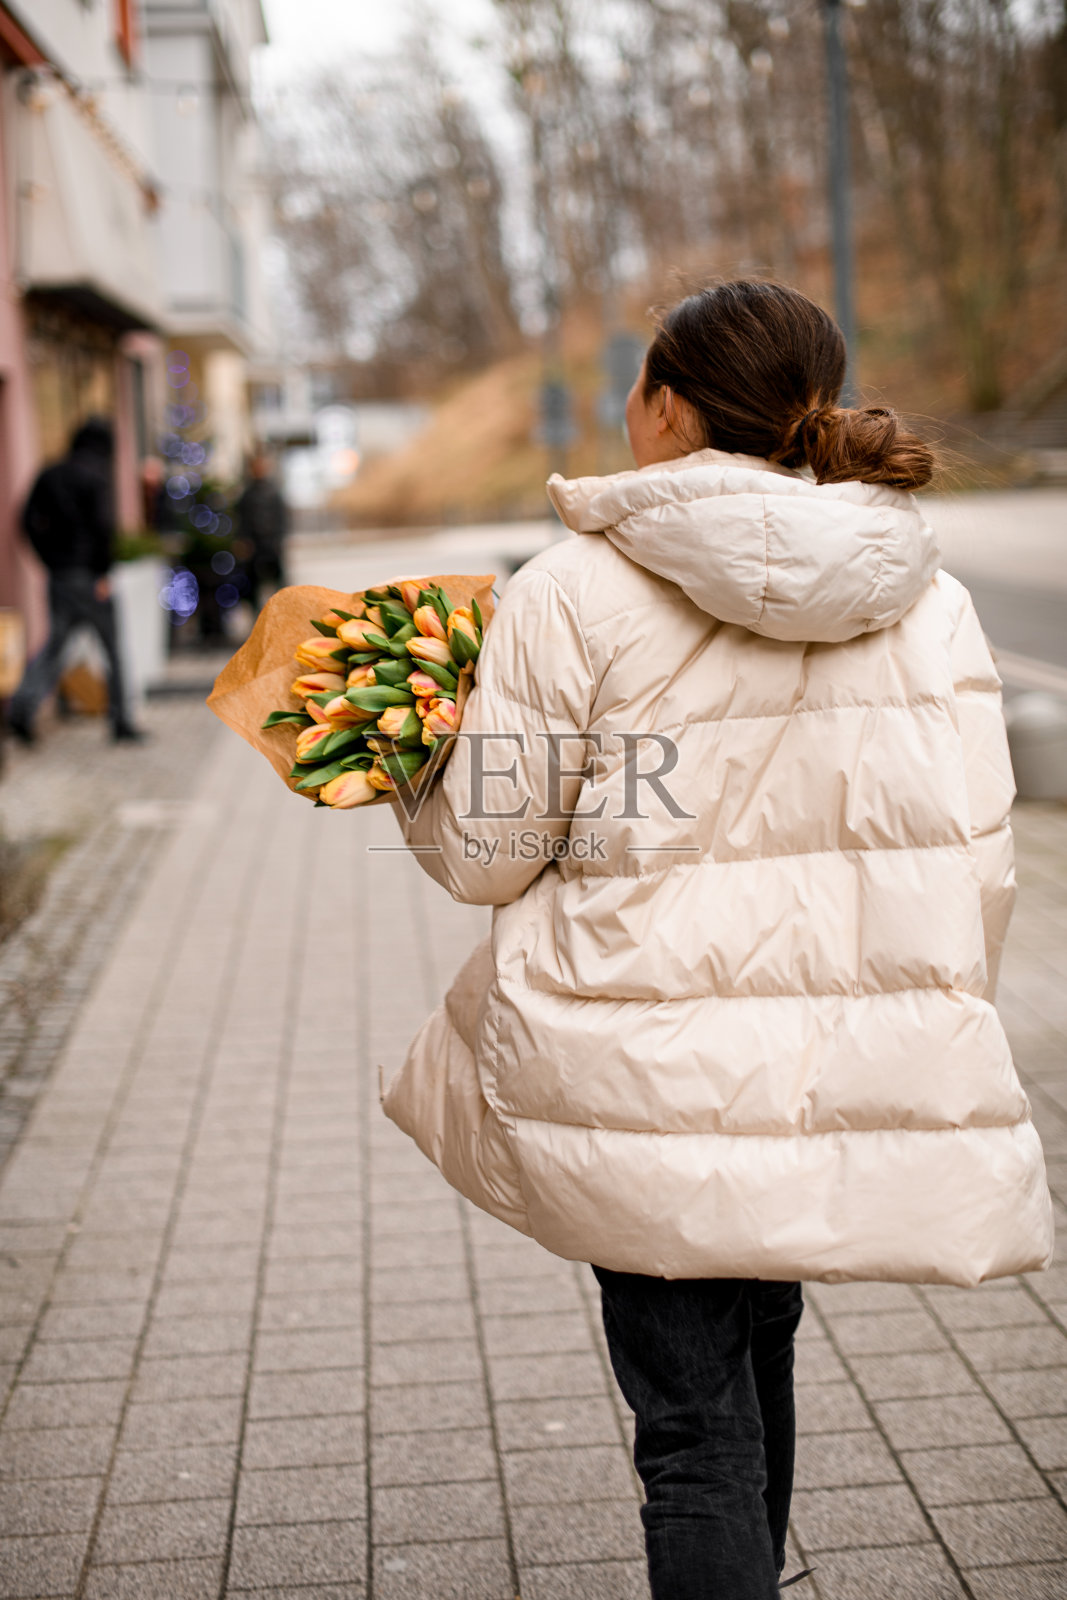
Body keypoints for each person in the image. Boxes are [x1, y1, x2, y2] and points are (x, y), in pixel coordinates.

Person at [381, 280, 1054, 1599]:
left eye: (638, 384)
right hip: (823, 1073)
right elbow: (978, 861)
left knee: (691, 1441)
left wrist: (411, 762)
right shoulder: (924, 600)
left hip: (644, 1082)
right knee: (757, 1368)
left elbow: (485, 853)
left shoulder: (570, 595)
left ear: (666, 408)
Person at [10, 417, 143, 744]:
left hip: (60, 576)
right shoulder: (96, 477)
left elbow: (26, 519)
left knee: (55, 645)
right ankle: (121, 720)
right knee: (112, 648)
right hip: (89, 578)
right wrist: (102, 573)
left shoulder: (51, 473)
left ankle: (22, 707)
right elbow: (103, 530)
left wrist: (49, 560)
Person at [233, 452, 288, 613]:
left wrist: (279, 539)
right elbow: (241, 518)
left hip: (271, 544)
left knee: (278, 583)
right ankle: (257, 616)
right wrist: (242, 540)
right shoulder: (247, 494)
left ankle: (282, 613)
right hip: (253, 546)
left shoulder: (273, 492)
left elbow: (281, 517)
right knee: (253, 584)